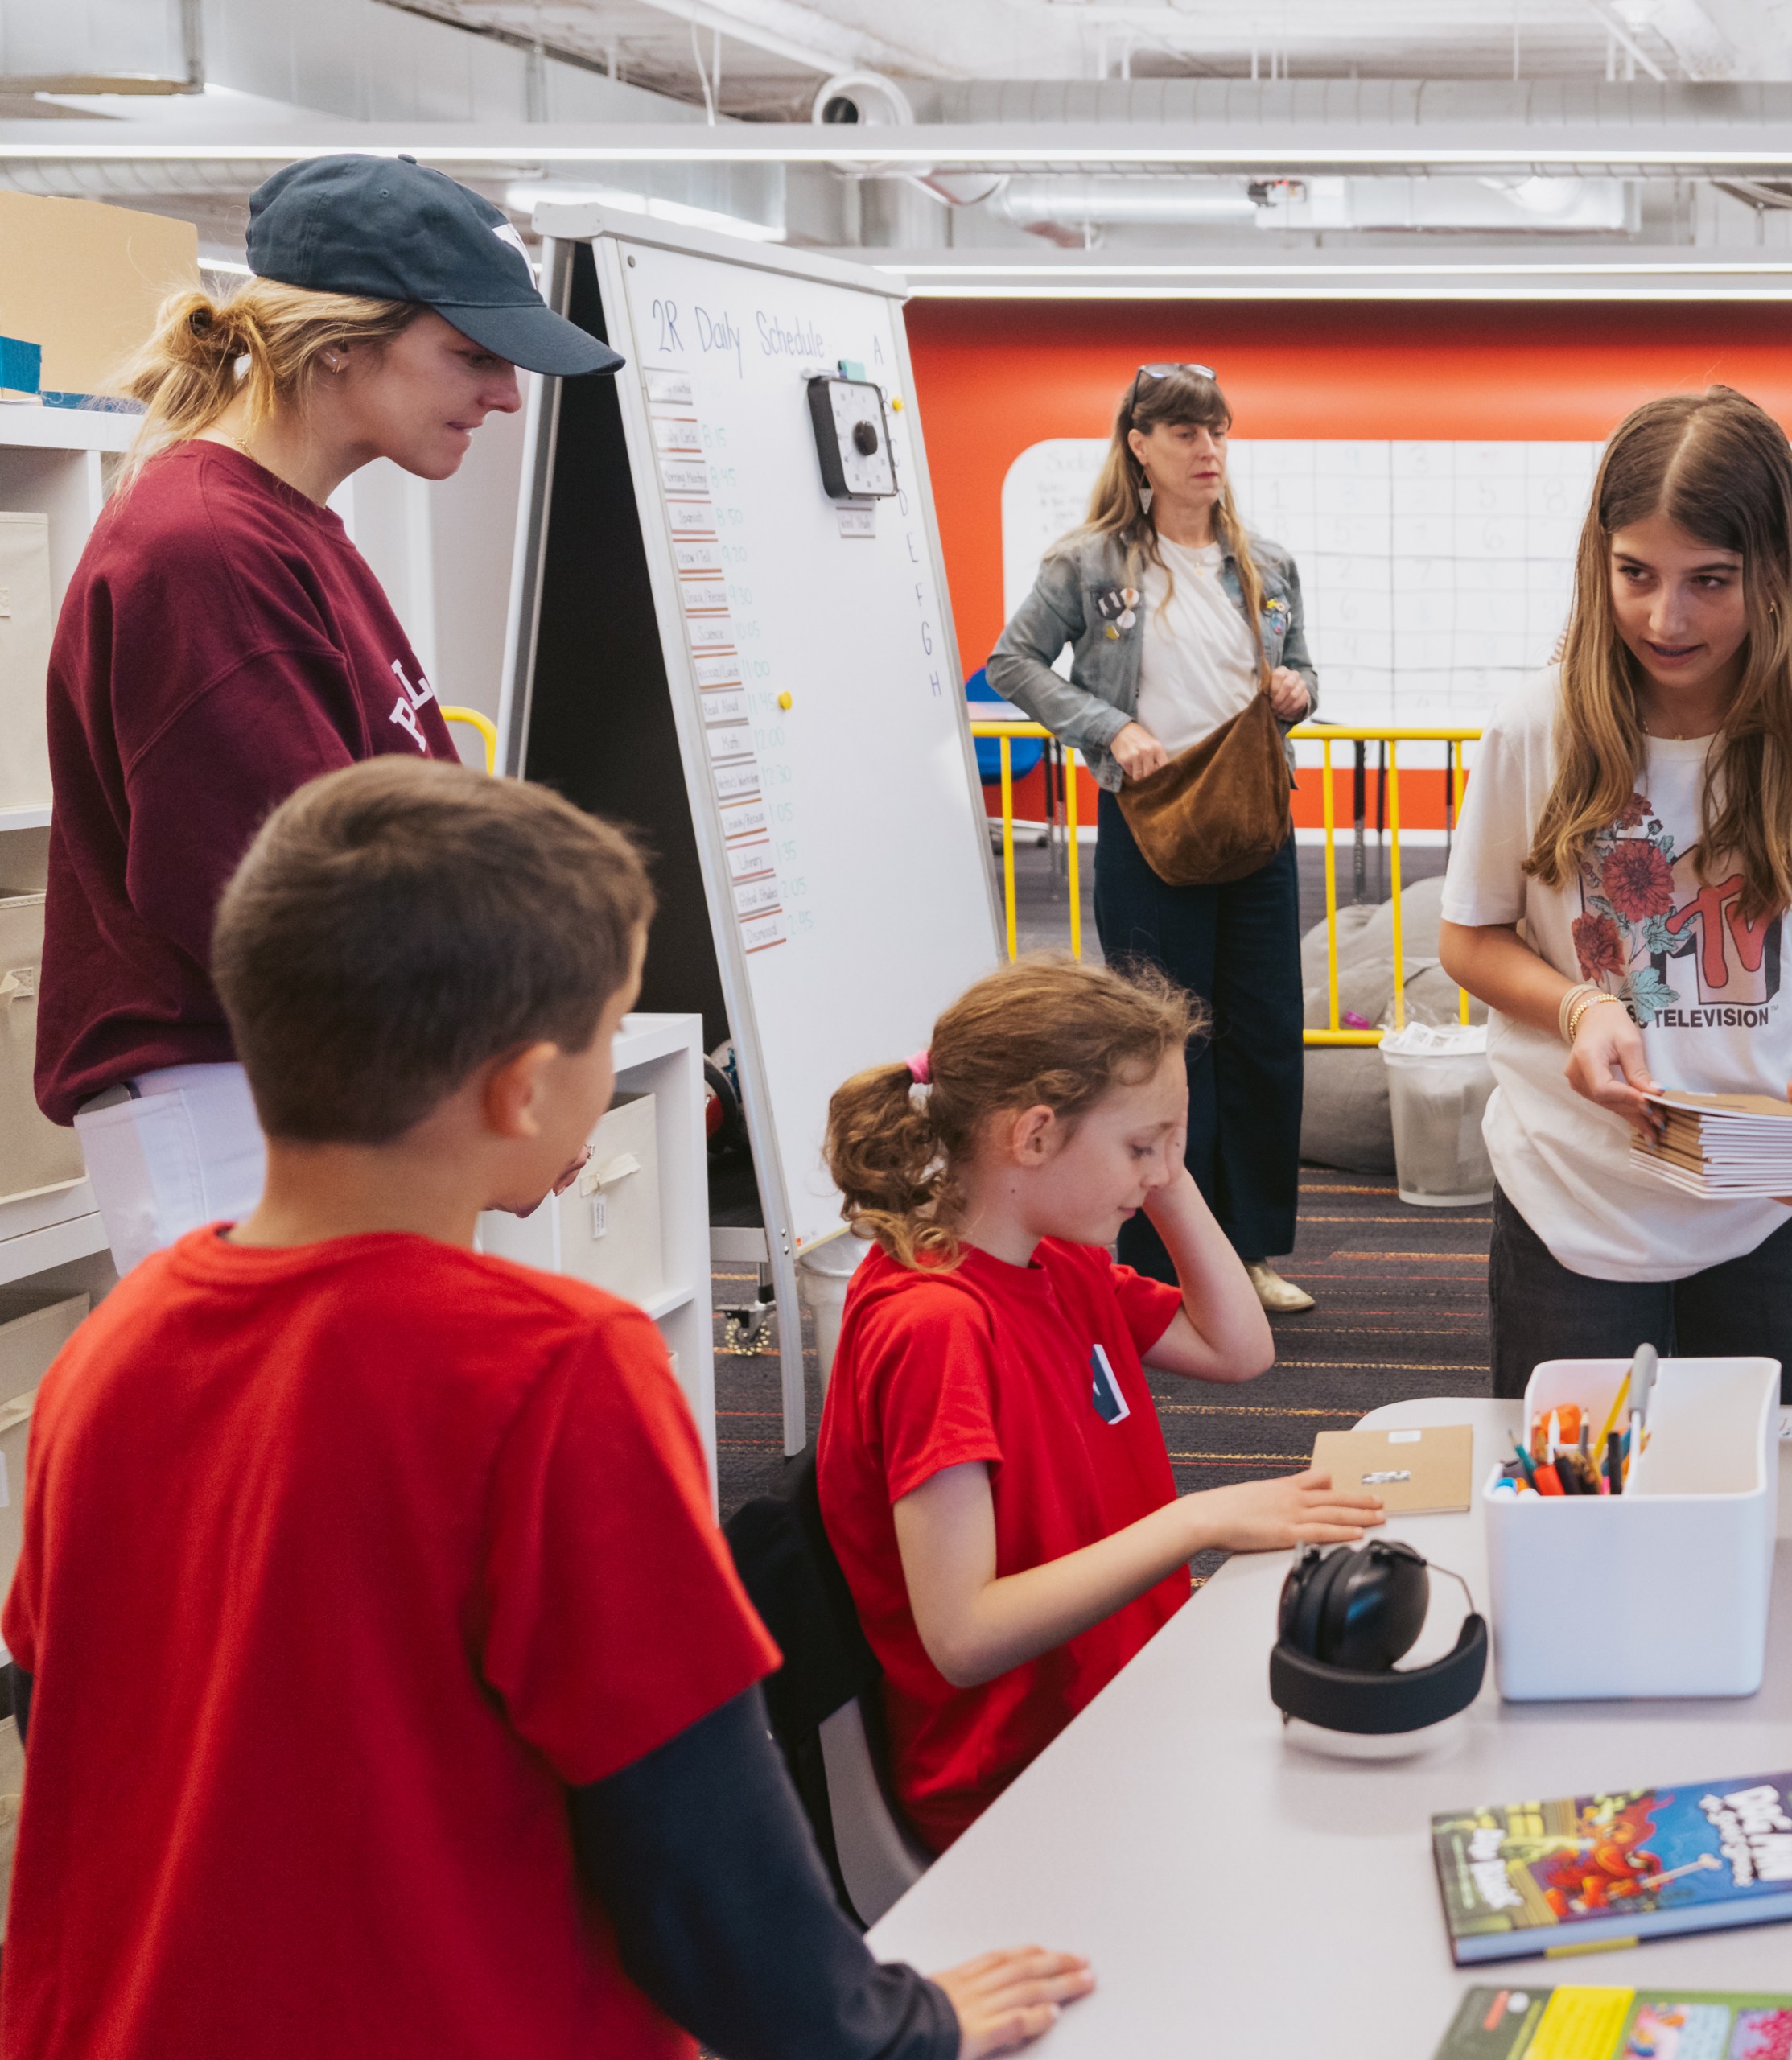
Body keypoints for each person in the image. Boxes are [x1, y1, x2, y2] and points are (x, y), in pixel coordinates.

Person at [1, 760, 1089, 2059]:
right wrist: (894, 2025)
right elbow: (698, 1849)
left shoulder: (111, 1348)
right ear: (520, 1089)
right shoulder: (554, 1368)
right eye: (612, 1030)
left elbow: (57, 1720)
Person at [37, 153, 619, 1274]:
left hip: (307, 1092)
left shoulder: (282, 526)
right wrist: (493, 1102)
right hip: (247, 1105)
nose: (505, 394)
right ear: (342, 338)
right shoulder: (206, 549)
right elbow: (288, 916)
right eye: (472, 354)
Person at [815, 957, 1386, 1852]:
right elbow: (963, 1633)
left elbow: (1240, 1350)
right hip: (1025, 1782)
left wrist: (1161, 1167)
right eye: (1139, 1147)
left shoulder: (1058, 1255)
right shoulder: (934, 1327)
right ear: (1033, 1136)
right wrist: (1195, 1519)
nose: (1160, 1172)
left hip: (1129, 1698)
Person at [1439, 388, 1792, 1404]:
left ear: (1777, 574)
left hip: (1770, 1200)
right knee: (1576, 1498)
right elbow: (1469, 937)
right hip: (1571, 1193)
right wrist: (1580, 1003)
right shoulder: (1533, 728)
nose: (1667, 618)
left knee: (1772, 1498)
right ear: (1597, 561)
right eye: (1635, 575)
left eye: (1711, 581)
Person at [983, 365, 1320, 1314]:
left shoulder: (1267, 564)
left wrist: (1298, 690)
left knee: (1263, 1041)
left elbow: (1299, 667)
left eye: (1215, 431)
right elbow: (1012, 661)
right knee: (1163, 1047)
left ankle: (1247, 1253)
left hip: (1252, 821)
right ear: (1138, 444)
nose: (1206, 450)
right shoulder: (1087, 565)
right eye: (1183, 433)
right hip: (1149, 825)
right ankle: (1162, 1261)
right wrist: (1104, 726)